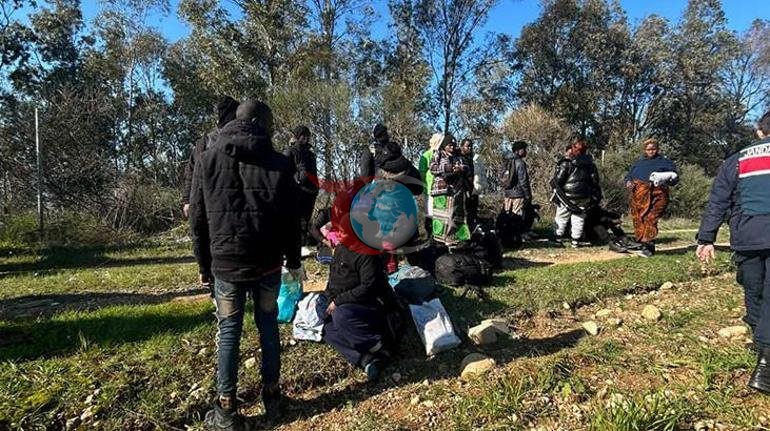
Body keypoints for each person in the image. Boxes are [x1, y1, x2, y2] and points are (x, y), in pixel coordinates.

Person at [189, 99, 303, 430]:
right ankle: (273, 399)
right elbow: (291, 220)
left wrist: (203, 264)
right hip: (267, 263)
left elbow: (197, 218)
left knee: (229, 332)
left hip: (225, 264)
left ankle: (226, 411)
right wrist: (293, 260)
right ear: (264, 124)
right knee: (268, 326)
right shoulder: (280, 163)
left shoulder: (207, 158)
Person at [696, 111, 770, 395]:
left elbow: (718, 200)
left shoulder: (738, 159)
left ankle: (759, 346)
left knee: (753, 289)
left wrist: (706, 237)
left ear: (759, 131)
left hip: (747, 235)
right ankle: (766, 363)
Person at [322, 223, 400, 382]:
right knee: (326, 328)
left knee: (341, 316)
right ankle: (366, 359)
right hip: (346, 300)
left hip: (370, 304)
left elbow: (368, 287)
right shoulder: (340, 250)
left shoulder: (366, 253)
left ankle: (379, 346)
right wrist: (329, 298)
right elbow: (333, 280)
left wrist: (337, 301)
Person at [183, 96, 239, 218]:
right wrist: (187, 200)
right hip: (211, 202)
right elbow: (192, 171)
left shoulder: (241, 137)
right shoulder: (206, 141)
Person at [624, 138, 679, 257]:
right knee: (639, 219)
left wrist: (668, 179)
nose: (651, 151)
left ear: (657, 149)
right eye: (648, 149)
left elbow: (674, 178)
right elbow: (628, 177)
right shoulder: (639, 163)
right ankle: (644, 246)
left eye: (653, 149)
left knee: (651, 218)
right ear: (645, 150)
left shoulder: (666, 162)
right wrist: (629, 182)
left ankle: (648, 247)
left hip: (658, 195)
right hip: (639, 195)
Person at [551, 139, 602, 248]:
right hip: (584, 198)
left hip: (566, 197)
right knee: (578, 219)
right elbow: (595, 182)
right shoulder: (591, 165)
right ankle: (575, 241)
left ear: (574, 149)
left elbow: (557, 182)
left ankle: (558, 239)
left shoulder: (566, 163)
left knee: (561, 218)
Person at [430, 134, 470, 245]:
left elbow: (467, 167)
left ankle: (454, 239)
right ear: (444, 146)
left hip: (455, 190)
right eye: (449, 145)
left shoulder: (458, 156)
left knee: (454, 214)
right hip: (441, 190)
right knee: (441, 216)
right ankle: (439, 240)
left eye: (453, 145)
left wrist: (460, 168)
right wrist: (449, 168)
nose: (452, 148)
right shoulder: (438, 154)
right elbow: (432, 168)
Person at [284, 125, 319, 254]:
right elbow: (286, 171)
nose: (305, 139)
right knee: (296, 220)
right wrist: (297, 180)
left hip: (311, 191)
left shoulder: (310, 154)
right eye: (303, 136)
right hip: (297, 191)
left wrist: (316, 187)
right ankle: (294, 247)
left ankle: (303, 244)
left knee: (306, 219)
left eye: (307, 136)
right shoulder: (290, 151)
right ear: (298, 136)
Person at [501, 140, 534, 239]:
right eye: (524, 149)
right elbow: (523, 181)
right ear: (518, 150)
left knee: (507, 215)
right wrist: (528, 195)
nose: (525, 152)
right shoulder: (520, 163)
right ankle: (517, 235)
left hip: (507, 193)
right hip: (518, 194)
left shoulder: (506, 161)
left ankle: (506, 234)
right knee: (517, 216)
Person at [419, 133, 444, 237]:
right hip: (429, 189)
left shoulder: (443, 155)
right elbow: (422, 172)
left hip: (441, 189)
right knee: (430, 213)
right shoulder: (426, 155)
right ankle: (430, 235)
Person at [459, 138, 481, 229]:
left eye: (471, 146)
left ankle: (472, 230)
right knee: (464, 212)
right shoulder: (459, 159)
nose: (470, 148)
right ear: (462, 146)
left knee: (473, 211)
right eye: (468, 146)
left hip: (473, 188)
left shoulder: (472, 158)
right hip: (464, 189)